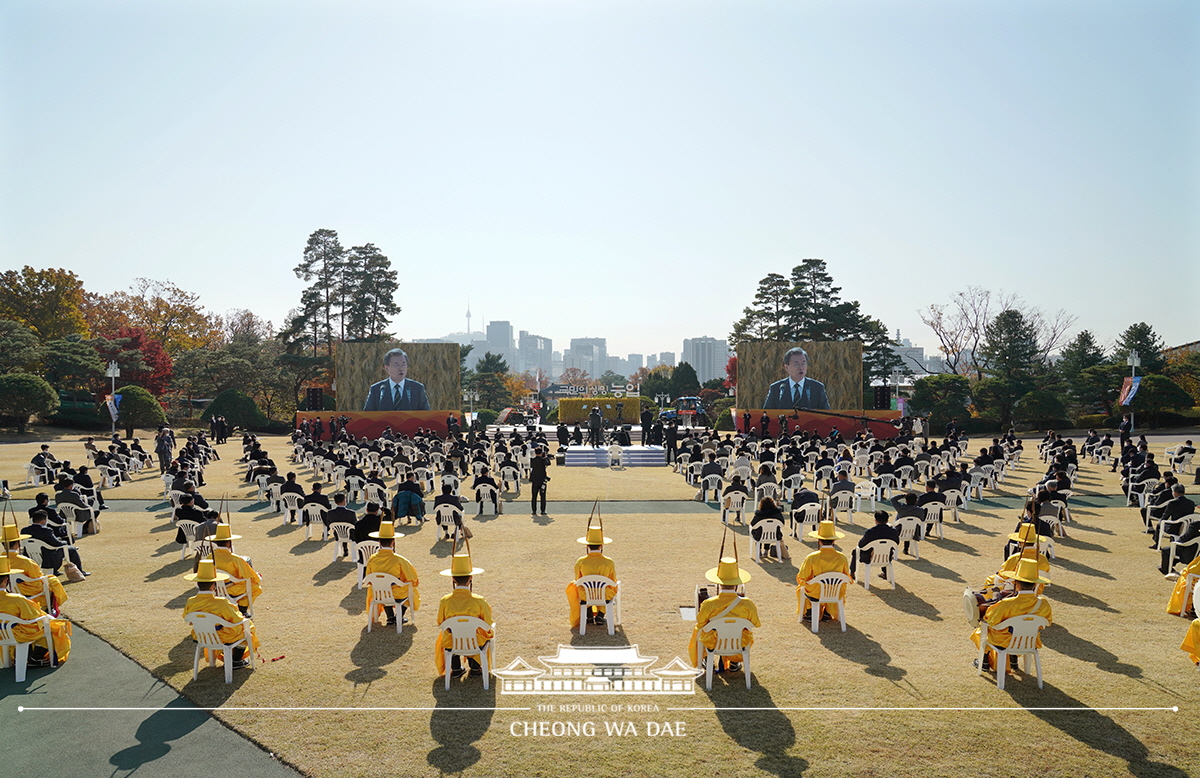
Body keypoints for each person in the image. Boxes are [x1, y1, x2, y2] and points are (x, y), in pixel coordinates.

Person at [970, 557, 1052, 672]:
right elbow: (1048, 622)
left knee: (982, 629)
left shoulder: (1006, 603)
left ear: (1016, 583)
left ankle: (984, 661)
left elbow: (990, 620)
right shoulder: (1043, 603)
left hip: (1004, 641)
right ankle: (1013, 660)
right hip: (1030, 641)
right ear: (1035, 585)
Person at [688, 551, 759, 674]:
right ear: (737, 583)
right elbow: (756, 623)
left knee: (697, 630)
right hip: (738, 643)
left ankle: (704, 657)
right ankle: (734, 661)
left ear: (718, 582)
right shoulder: (747, 603)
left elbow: (700, 624)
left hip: (713, 643)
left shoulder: (709, 604)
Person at [183, 559, 259, 671]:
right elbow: (236, 619)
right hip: (223, 636)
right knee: (248, 627)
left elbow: (188, 619)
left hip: (202, 636)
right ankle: (236, 660)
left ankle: (223, 658)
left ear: (198, 583)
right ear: (214, 585)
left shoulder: (190, 601)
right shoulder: (221, 602)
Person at [0, 556, 71, 666]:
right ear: (6, 580)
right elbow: (33, 617)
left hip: (2, 635)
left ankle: (19, 656)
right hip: (19, 634)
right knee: (53, 626)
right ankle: (35, 657)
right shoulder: (17, 599)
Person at [435, 548, 493, 679]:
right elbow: (487, 623)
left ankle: (455, 668)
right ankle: (475, 668)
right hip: (475, 642)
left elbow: (440, 622)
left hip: (453, 641)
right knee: (478, 634)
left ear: (453, 579)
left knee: (450, 633)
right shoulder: (479, 601)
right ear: (471, 578)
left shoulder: (445, 601)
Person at [364, 523, 420, 627]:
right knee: (411, 589)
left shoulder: (372, 559)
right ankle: (399, 615)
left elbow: (368, 578)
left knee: (383, 589)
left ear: (379, 542)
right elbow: (412, 577)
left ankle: (390, 617)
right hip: (397, 593)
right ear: (393, 542)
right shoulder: (399, 559)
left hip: (378, 593)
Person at [3, 523, 69, 612]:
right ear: (18, 543)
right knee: (51, 580)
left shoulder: (1, 560)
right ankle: (50, 608)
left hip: (8, 590)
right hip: (28, 592)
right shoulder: (26, 561)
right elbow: (38, 581)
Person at [204, 523, 262, 615]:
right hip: (234, 589)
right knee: (255, 586)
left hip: (215, 588)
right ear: (229, 543)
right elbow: (248, 575)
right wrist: (258, 577)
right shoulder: (236, 559)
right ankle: (242, 609)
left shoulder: (210, 556)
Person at [796, 521, 850, 622]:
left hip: (816, 592)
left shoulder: (812, 557)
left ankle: (810, 611)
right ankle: (828, 612)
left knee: (802, 587)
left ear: (819, 541)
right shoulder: (842, 557)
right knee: (835, 586)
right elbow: (846, 576)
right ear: (834, 541)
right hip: (835, 591)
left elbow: (803, 576)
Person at [567, 523, 616, 629]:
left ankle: (589, 616)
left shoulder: (581, 561)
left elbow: (578, 579)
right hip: (603, 594)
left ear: (587, 546)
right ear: (601, 546)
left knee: (579, 587)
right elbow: (613, 580)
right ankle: (600, 615)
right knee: (610, 588)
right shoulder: (609, 562)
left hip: (586, 594)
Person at [22, 510, 88, 576]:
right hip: (48, 559)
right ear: (44, 520)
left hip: (30, 556)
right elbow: (57, 543)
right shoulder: (47, 530)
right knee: (72, 549)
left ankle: (55, 571)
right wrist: (65, 542)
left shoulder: (24, 530)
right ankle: (80, 571)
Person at [362, 348, 431, 411]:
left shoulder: (417, 388)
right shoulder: (377, 389)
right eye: (396, 364)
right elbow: (367, 416)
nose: (401, 368)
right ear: (387, 368)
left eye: (403, 364)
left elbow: (426, 415)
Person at [763, 346, 831, 410]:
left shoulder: (817, 387)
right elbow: (767, 414)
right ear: (786, 367)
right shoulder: (777, 388)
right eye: (796, 363)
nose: (801, 367)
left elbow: (826, 415)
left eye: (803, 363)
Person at [851, 510, 900, 579]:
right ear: (887, 520)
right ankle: (885, 572)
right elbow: (896, 543)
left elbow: (861, 545)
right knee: (885, 549)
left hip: (869, 557)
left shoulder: (870, 532)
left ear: (875, 520)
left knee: (855, 551)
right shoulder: (893, 532)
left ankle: (852, 572)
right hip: (887, 557)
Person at [530, 446, 550, 517]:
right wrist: (545, 457)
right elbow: (548, 463)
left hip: (535, 479)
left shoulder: (532, 460)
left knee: (534, 496)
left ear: (535, 453)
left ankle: (534, 511)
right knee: (543, 496)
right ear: (541, 453)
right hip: (542, 480)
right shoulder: (543, 460)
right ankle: (543, 510)